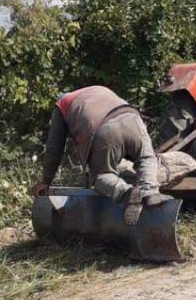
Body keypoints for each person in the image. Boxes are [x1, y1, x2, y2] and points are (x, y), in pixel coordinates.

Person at [30, 86, 170, 209]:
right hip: (132, 118)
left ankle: (127, 192)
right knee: (146, 158)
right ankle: (150, 193)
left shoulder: (62, 104)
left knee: (101, 176)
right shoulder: (97, 90)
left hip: (104, 128)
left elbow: (54, 147)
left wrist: (46, 181)